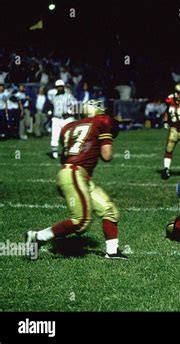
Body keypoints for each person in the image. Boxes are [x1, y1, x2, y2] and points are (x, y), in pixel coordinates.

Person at [25, 99, 127, 260]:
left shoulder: (68, 127)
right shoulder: (102, 121)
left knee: (109, 210)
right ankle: (38, 237)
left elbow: (65, 156)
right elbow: (107, 155)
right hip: (75, 174)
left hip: (72, 174)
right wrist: (106, 139)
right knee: (81, 221)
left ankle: (112, 252)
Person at [49, 79, 77, 159]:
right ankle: (54, 154)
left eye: (61, 86)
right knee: (55, 136)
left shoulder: (69, 95)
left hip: (67, 118)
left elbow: (76, 106)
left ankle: (68, 152)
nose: (59, 88)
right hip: (56, 118)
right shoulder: (54, 97)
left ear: (63, 87)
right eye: (58, 87)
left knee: (68, 136)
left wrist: (70, 112)